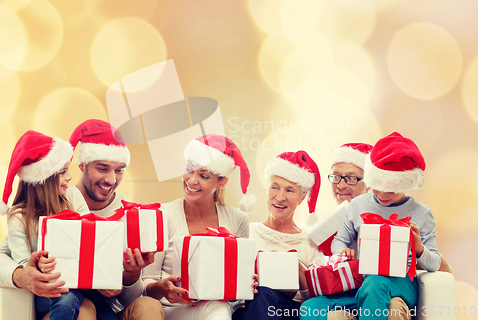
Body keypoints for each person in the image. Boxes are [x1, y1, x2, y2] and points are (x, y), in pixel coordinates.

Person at [0, 119, 163, 320]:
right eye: (103, 168)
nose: (112, 180)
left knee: (123, 308)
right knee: (80, 307)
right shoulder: (27, 214)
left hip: (98, 296)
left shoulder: (129, 215)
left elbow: (127, 296)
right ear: (82, 165)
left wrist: (126, 277)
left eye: (119, 169)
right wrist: (23, 273)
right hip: (60, 294)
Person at [301, 132, 441, 320]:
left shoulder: (422, 213)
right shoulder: (359, 204)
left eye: (391, 190)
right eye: (376, 186)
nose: (382, 195)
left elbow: (435, 264)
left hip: (401, 283)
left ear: (405, 183)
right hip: (360, 282)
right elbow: (338, 241)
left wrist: (419, 249)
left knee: (375, 283)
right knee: (309, 308)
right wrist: (342, 252)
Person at [119, 134, 253, 320]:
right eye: (189, 169)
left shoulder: (237, 219)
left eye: (203, 176)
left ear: (221, 183)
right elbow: (145, 285)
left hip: (214, 309)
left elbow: (238, 292)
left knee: (218, 307)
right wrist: (162, 288)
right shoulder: (163, 215)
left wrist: (245, 283)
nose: (191, 180)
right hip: (166, 310)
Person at [0, 130, 93, 320]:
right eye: (62, 173)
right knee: (65, 295)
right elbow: (25, 265)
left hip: (80, 281)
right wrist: (38, 265)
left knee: (106, 313)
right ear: (43, 181)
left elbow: (91, 234)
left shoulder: (72, 197)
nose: (69, 177)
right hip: (47, 289)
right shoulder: (18, 217)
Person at [233, 150, 323, 320]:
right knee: (257, 298)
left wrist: (298, 270)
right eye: (275, 187)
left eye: (290, 191)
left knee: (264, 294)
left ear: (302, 197)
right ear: (267, 189)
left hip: (290, 313)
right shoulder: (245, 232)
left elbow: (317, 304)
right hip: (247, 310)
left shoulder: (311, 244)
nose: (280, 197)